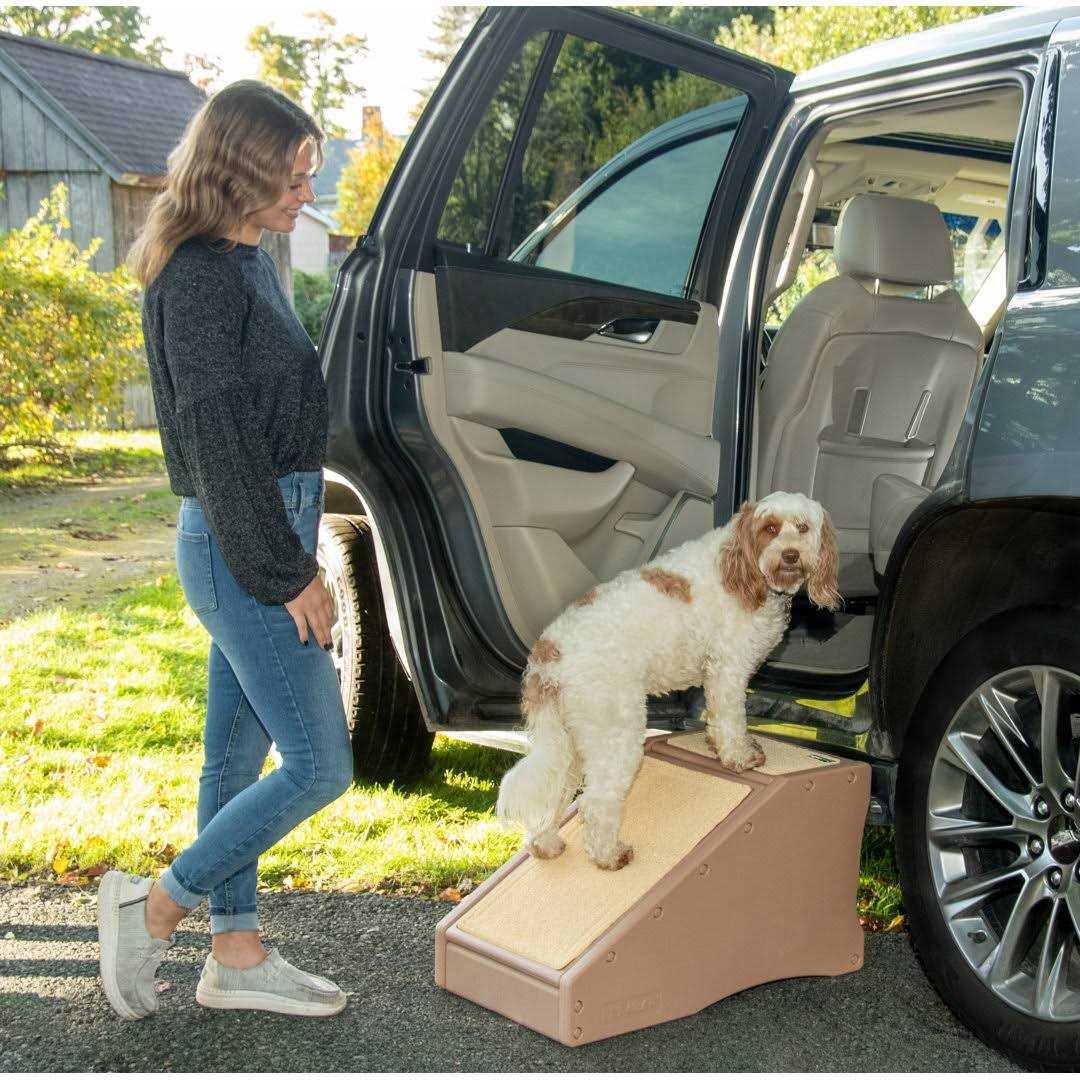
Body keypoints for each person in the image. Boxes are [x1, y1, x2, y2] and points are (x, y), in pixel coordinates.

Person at [96, 80, 353, 1020]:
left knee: (232, 762)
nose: (303, 197)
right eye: (291, 179)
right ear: (241, 170)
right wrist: (293, 576)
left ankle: (235, 955)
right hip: (246, 541)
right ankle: (153, 908)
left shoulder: (246, 258)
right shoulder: (199, 275)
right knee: (322, 765)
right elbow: (217, 442)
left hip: (264, 523)